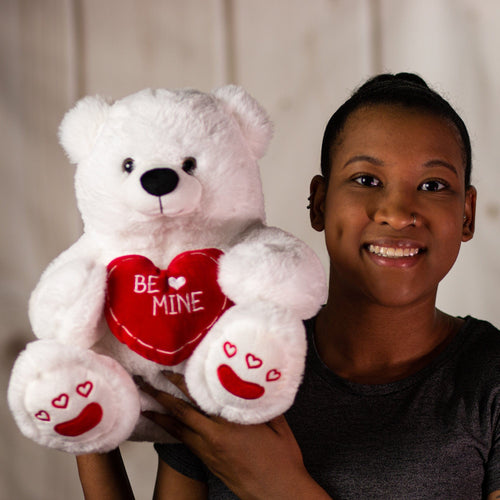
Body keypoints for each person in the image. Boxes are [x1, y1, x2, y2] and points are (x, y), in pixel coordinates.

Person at [76, 73, 500, 499]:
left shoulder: (490, 381)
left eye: (433, 186)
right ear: (319, 202)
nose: (396, 212)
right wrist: (85, 410)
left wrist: (275, 484)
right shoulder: (232, 354)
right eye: (367, 180)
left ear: (466, 214)